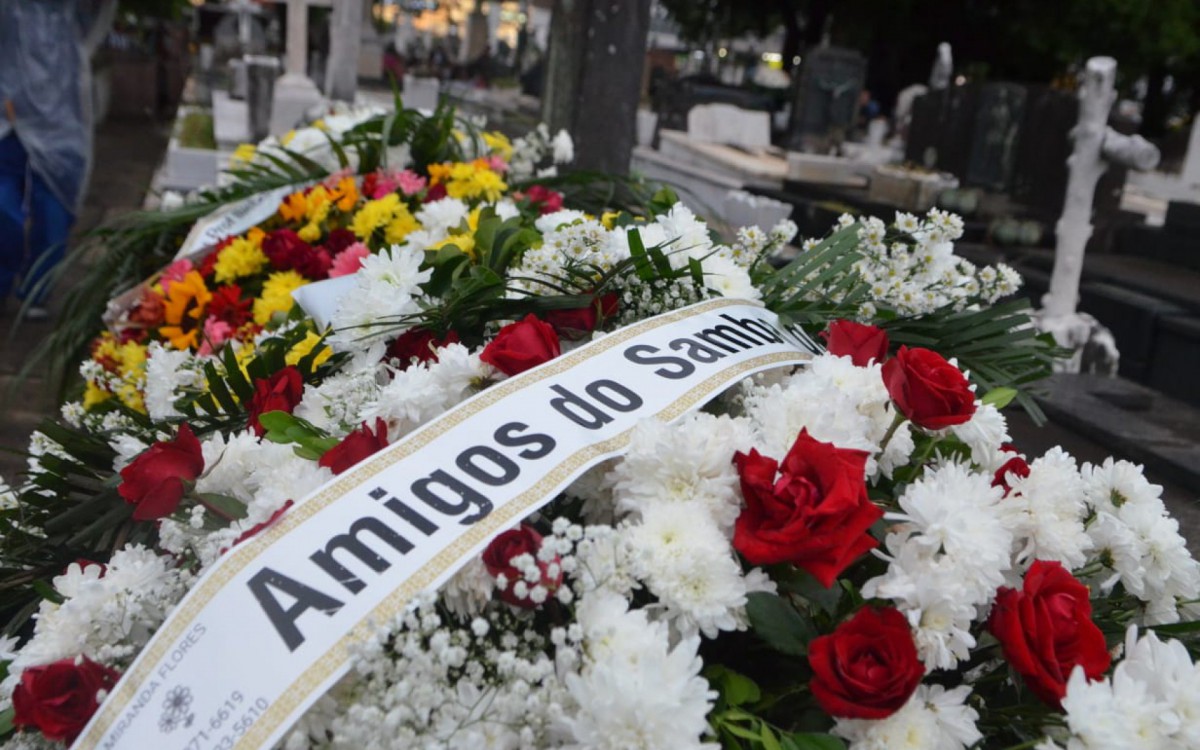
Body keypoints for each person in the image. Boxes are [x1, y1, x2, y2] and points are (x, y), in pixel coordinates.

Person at [0, 0, 114, 320]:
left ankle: (38, 287)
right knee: (3, 208)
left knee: (54, 208)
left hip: (60, 111)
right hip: (7, 111)